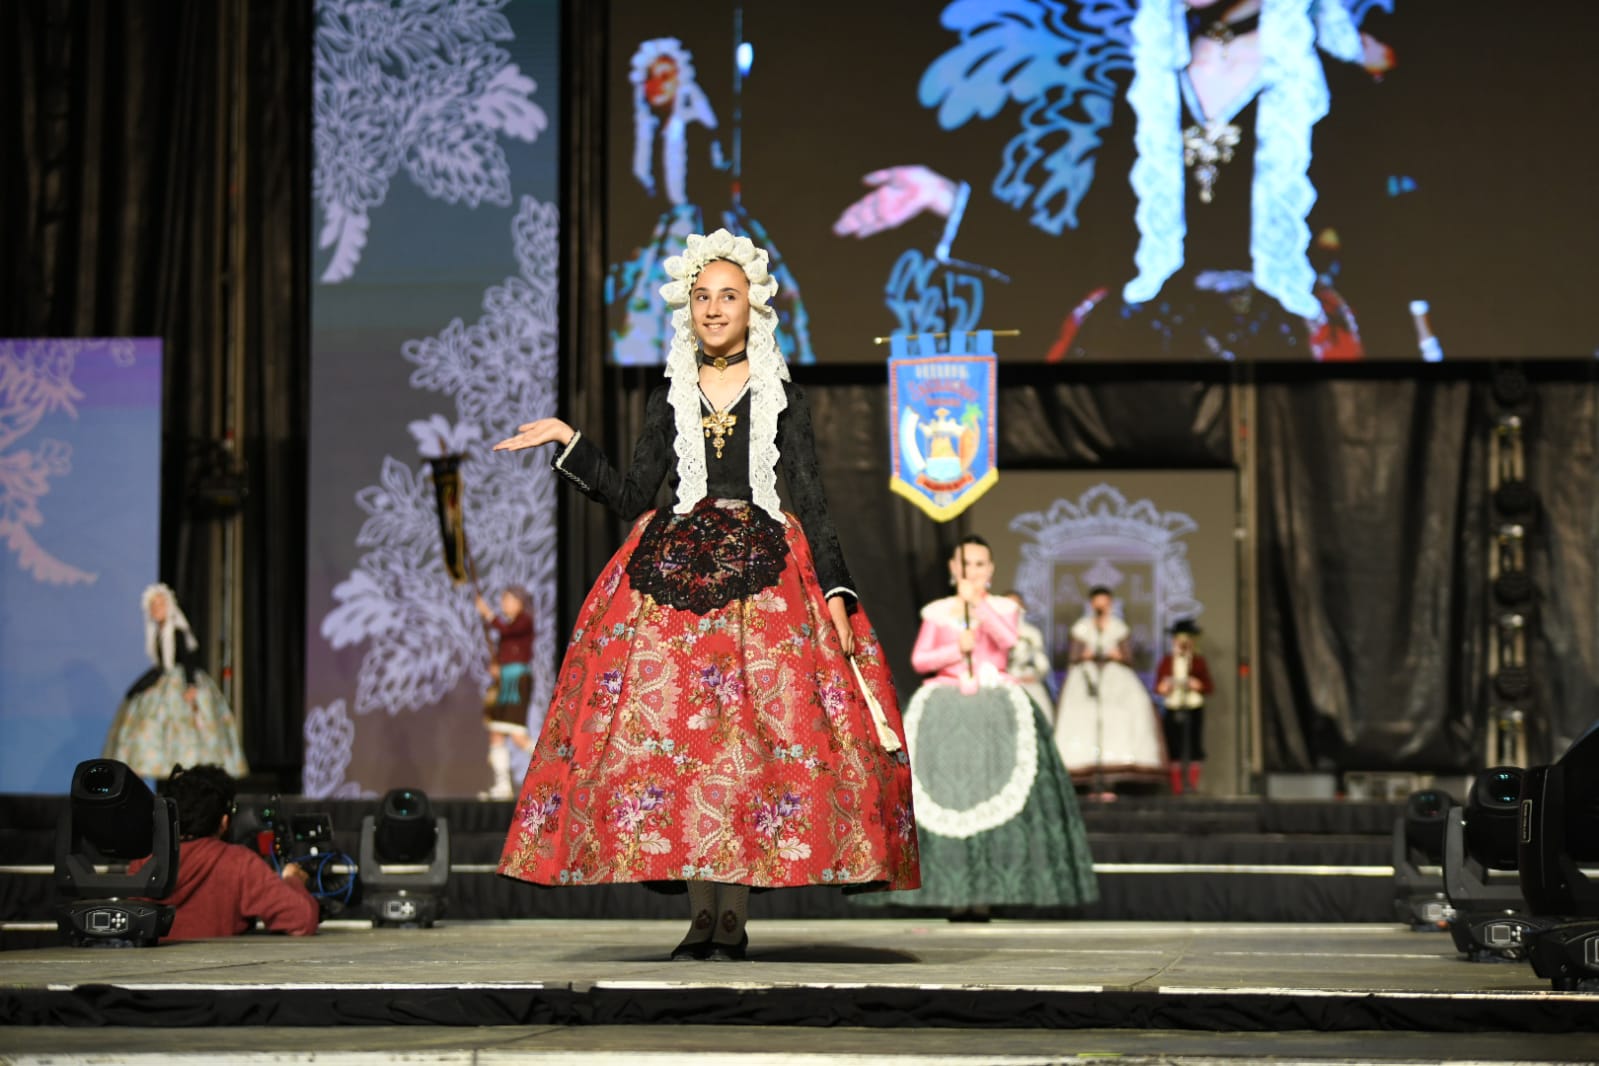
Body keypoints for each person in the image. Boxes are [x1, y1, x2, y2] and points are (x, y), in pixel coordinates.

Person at [495, 228, 918, 960]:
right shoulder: (669, 393)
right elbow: (633, 494)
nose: (713, 309)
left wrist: (839, 594)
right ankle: (700, 917)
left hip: (767, 574)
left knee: (751, 748)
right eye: (701, 298)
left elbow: (811, 497)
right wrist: (570, 441)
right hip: (671, 573)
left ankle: (733, 919)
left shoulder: (783, 392)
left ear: (751, 304)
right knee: (678, 746)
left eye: (726, 296)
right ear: (686, 309)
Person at [859, 537, 1095, 918]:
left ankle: (988, 889)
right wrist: (958, 648)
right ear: (954, 569)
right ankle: (951, 891)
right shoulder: (937, 612)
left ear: (991, 569)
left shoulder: (1001, 607)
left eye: (981, 564)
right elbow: (922, 660)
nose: (974, 571)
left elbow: (1008, 642)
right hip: (946, 704)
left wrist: (979, 607)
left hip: (995, 703)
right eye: (966, 564)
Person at [129, 764, 319, 942]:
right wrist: (293, 880)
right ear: (225, 821)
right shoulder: (238, 863)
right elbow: (301, 920)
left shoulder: (142, 862)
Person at [103, 583, 248, 780]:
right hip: (164, 679)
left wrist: (190, 686)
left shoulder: (177, 631)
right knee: (150, 719)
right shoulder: (157, 633)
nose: (156, 610)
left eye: (160, 605)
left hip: (179, 682)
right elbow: (160, 665)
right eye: (153, 606)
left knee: (185, 726)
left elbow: (188, 659)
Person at [1054, 587, 1166, 795]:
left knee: (1119, 719)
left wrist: (1118, 655)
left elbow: (1128, 656)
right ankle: (1088, 778)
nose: (1101, 607)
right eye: (1097, 603)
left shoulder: (1118, 627)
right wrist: (1084, 655)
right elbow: (1074, 655)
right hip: (1087, 678)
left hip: (1115, 678)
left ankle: (1111, 779)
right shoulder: (1082, 627)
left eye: (1104, 604)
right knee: (1083, 719)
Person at [474, 586, 537, 800]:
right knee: (497, 732)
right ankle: (502, 785)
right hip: (504, 682)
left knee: (518, 736)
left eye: (509, 600)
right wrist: (497, 665)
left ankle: (552, 765)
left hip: (517, 683)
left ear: (520, 602)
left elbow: (506, 631)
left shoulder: (524, 621)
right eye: (503, 600)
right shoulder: (510, 624)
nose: (505, 605)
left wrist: (488, 613)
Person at [1155, 618, 1214, 794]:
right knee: (1174, 747)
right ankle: (1177, 787)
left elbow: (1209, 686)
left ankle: (1191, 785)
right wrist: (1166, 687)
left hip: (1193, 707)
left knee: (1194, 747)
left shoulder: (1197, 661)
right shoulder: (1167, 661)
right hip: (1173, 707)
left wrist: (1197, 684)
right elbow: (1158, 687)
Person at [1004, 590, 1056, 722]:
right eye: (1008, 604)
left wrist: (1036, 675)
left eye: (1017, 604)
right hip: (1004, 682)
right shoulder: (996, 631)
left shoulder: (1031, 633)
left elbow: (1042, 662)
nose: (1014, 608)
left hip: (1028, 681)